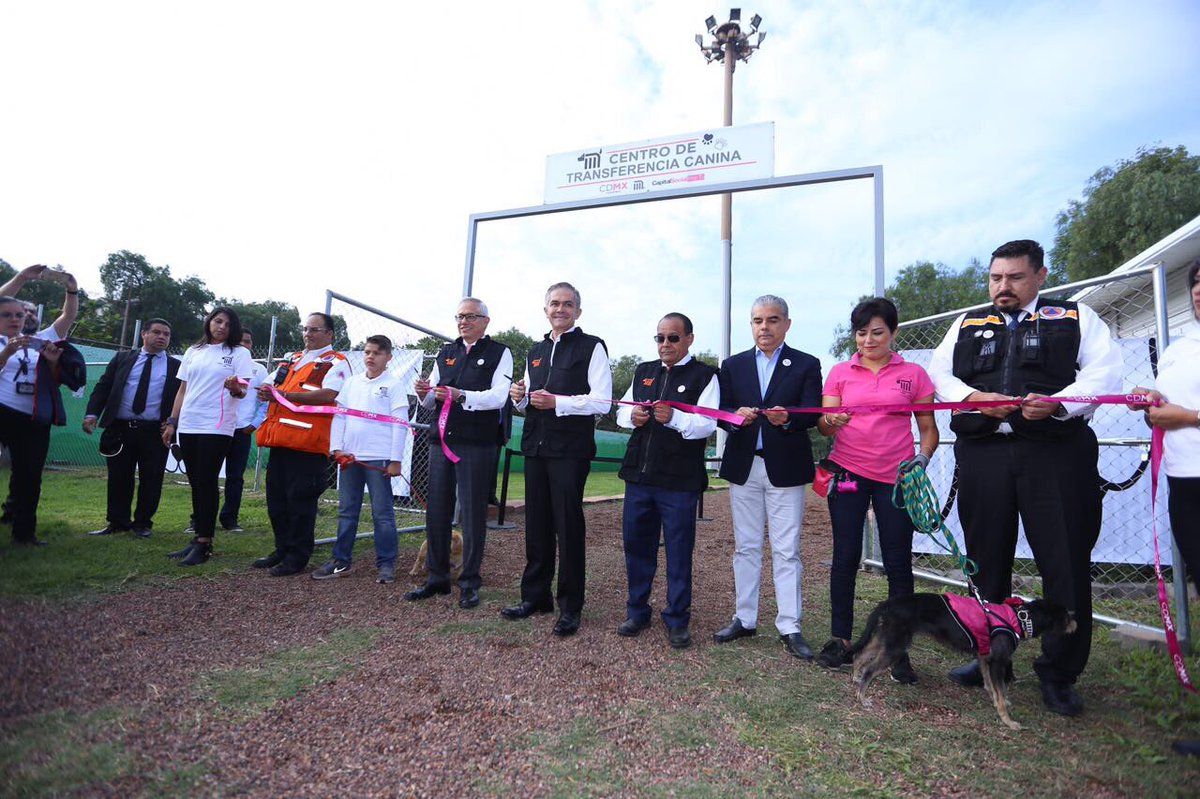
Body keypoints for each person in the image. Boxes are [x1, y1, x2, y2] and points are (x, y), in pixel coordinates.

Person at [928, 239, 1122, 716]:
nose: (1003, 287)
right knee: (985, 559)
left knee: (1064, 561)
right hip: (985, 453)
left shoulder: (1075, 318)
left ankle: (1059, 672)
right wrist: (974, 398)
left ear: (1040, 276)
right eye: (996, 278)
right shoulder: (968, 323)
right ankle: (990, 657)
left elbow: (1105, 374)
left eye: (1014, 277)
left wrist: (1060, 402)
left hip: (1055, 454)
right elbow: (939, 375)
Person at [813, 298, 939, 679]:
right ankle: (841, 640)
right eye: (861, 332)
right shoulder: (839, 371)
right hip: (849, 473)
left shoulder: (914, 374)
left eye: (877, 332)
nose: (868, 339)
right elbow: (823, 424)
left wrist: (924, 458)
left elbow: (928, 427)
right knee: (846, 557)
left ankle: (897, 650)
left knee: (898, 563)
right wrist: (830, 423)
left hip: (896, 478)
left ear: (894, 332)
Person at [714, 295, 822, 659]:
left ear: (786, 324)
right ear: (751, 324)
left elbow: (812, 413)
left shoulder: (806, 364)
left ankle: (790, 625)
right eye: (758, 320)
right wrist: (734, 415)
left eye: (773, 320)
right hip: (744, 466)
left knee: (786, 549)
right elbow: (719, 412)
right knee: (746, 547)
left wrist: (787, 418)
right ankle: (745, 618)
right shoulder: (732, 365)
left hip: (785, 468)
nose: (765, 327)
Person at [502, 282, 611, 637]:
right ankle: (536, 597)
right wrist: (518, 396)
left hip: (569, 450)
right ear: (545, 309)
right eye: (554, 303)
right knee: (536, 526)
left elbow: (602, 403)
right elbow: (528, 399)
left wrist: (559, 403)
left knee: (567, 525)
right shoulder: (535, 350)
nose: (560, 309)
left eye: (567, 304)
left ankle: (570, 606)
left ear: (578, 310)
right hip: (536, 447)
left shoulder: (592, 347)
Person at [1129, 259, 1200, 757]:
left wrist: (1187, 415)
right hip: (1185, 481)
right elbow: (1169, 405)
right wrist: (1154, 398)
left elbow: (1184, 412)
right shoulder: (1180, 349)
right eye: (1198, 287)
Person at [615, 312, 719, 649]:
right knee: (636, 546)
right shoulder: (644, 371)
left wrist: (674, 418)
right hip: (639, 478)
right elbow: (620, 413)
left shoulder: (706, 376)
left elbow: (707, 425)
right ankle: (637, 610)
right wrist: (632, 415)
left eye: (672, 338)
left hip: (678, 481)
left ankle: (677, 618)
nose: (665, 344)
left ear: (689, 338)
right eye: (659, 338)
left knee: (678, 551)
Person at [409, 298, 512, 608]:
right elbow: (431, 401)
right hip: (441, 441)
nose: (463, 321)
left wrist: (462, 394)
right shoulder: (446, 352)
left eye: (470, 316)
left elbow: (498, 397)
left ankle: (469, 581)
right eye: (460, 316)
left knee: (471, 512)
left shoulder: (499, 353)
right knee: (436, 510)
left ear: (485, 320)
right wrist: (424, 393)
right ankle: (436, 577)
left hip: (477, 443)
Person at [253, 313, 352, 577]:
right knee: (276, 501)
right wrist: (256, 389)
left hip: (308, 445)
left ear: (330, 334)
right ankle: (282, 549)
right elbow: (268, 384)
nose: (308, 334)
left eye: (315, 330)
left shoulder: (336, 362)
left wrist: (285, 396)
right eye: (305, 329)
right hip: (280, 440)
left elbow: (331, 395)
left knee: (300, 503)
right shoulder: (294, 358)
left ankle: (297, 556)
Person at [162, 308, 254, 566]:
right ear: (209, 323)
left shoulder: (239, 353)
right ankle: (197, 538)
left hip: (217, 425)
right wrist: (172, 421)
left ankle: (204, 542)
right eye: (217, 321)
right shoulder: (193, 351)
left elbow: (242, 392)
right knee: (196, 481)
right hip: (189, 424)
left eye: (227, 323)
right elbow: (182, 389)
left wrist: (235, 387)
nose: (222, 326)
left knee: (206, 480)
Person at [312, 335, 407, 584]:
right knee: (347, 511)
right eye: (366, 352)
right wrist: (336, 448)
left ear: (388, 357)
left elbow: (400, 425)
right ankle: (341, 561)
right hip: (350, 458)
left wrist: (395, 460)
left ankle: (386, 564)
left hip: (378, 460)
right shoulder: (352, 383)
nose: (370, 357)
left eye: (376, 353)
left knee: (382, 514)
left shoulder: (394, 385)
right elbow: (340, 417)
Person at [0, 265, 80, 546]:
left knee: (29, 476)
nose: (17, 319)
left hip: (33, 416)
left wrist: (71, 288)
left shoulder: (42, 338)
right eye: (8, 315)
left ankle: (23, 534)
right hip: (3, 410)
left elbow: (68, 316)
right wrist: (22, 277)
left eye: (21, 314)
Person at [83, 318, 181, 538]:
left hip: (155, 432)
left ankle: (143, 524)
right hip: (120, 429)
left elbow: (182, 398)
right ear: (143, 334)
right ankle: (117, 522)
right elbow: (104, 387)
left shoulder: (176, 366)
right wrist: (92, 414)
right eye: (156, 332)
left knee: (152, 478)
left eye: (166, 334)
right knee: (119, 476)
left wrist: (174, 423)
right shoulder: (122, 359)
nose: (162, 337)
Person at [217, 329, 268, 532]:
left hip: (241, 431)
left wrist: (255, 423)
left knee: (235, 477)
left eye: (247, 341)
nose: (243, 346)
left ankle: (230, 519)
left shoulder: (259, 370)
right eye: (239, 342)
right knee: (208, 474)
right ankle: (199, 519)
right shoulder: (221, 365)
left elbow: (265, 401)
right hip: (217, 429)